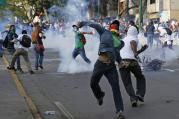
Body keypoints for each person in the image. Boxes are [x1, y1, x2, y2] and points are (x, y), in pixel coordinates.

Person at [77, 21, 125, 119]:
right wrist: (82, 23)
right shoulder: (104, 32)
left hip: (111, 67)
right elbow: (94, 25)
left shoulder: (119, 41)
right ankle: (100, 95)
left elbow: (116, 53)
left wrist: (120, 62)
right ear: (110, 27)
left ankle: (119, 111)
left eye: (116, 27)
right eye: (113, 26)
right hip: (100, 64)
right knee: (93, 83)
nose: (115, 28)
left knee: (116, 88)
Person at [119, 23, 146, 107]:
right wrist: (141, 50)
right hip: (131, 61)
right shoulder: (134, 38)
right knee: (140, 77)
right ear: (135, 32)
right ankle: (140, 94)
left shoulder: (123, 39)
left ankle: (133, 99)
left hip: (122, 62)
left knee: (127, 83)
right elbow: (132, 43)